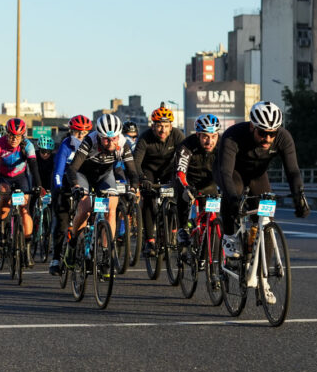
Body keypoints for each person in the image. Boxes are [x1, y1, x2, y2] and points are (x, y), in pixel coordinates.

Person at [214, 101, 309, 263]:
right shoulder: (234, 135)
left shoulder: (283, 138)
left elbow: (292, 171)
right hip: (232, 172)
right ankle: (229, 236)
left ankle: (261, 273)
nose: (267, 138)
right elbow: (225, 173)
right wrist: (233, 200)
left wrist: (299, 196)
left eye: (272, 134)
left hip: (257, 175)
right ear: (252, 127)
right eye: (263, 133)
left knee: (265, 216)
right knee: (233, 194)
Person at [64, 114, 140, 269]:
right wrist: (76, 187)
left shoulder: (123, 144)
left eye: (114, 139)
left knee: (111, 209)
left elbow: (133, 172)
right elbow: (72, 169)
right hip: (84, 174)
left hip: (105, 175)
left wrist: (133, 189)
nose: (111, 142)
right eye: (106, 139)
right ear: (99, 136)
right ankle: (72, 244)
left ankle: (106, 253)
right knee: (85, 209)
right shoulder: (89, 141)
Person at [133, 105, 186, 257]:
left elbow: (185, 158)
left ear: (171, 127)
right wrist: (142, 179)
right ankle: (150, 241)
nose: (162, 130)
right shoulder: (144, 138)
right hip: (148, 171)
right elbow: (136, 162)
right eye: (159, 126)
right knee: (149, 199)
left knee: (175, 197)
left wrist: (181, 178)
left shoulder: (177, 136)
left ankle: (173, 229)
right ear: (153, 126)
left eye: (166, 126)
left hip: (169, 171)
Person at [0, 118, 44, 261]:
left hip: (21, 177)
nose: (14, 139)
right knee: (5, 198)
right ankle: (1, 226)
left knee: (25, 209)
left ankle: (26, 248)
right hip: (3, 177)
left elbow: (34, 167)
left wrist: (38, 186)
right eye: (11, 135)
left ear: (22, 136)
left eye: (18, 136)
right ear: (6, 133)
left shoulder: (28, 145)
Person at [48, 115, 92, 273]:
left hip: (83, 182)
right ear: (71, 131)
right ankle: (55, 258)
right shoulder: (66, 145)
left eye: (84, 133)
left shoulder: (91, 144)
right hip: (65, 184)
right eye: (77, 132)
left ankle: (88, 252)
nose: (81, 136)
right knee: (62, 221)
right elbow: (59, 171)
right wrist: (59, 188)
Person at [174, 113, 223, 245]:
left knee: (212, 216)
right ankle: (182, 228)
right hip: (188, 181)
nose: (210, 141)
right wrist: (186, 186)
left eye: (213, 137)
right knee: (183, 195)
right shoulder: (187, 145)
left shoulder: (222, 145)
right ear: (198, 135)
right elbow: (180, 172)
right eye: (205, 137)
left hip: (209, 182)